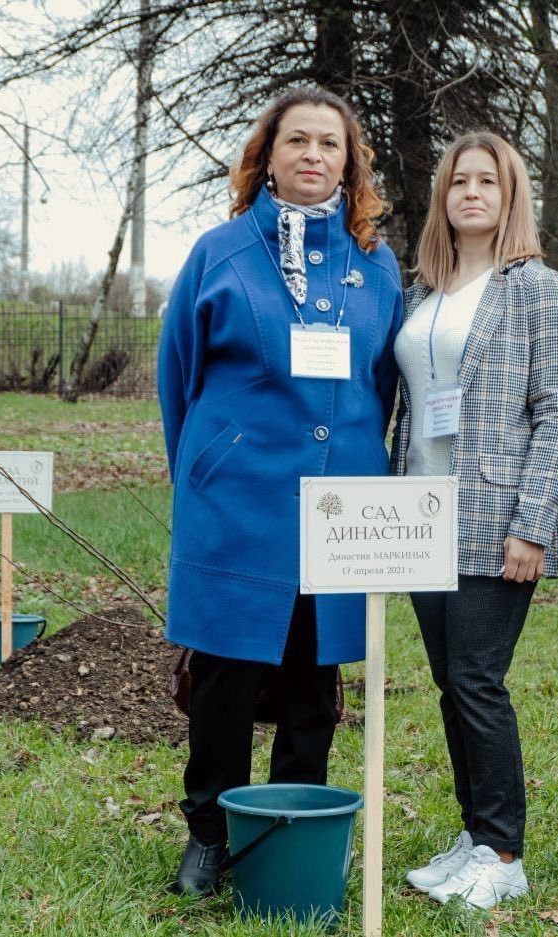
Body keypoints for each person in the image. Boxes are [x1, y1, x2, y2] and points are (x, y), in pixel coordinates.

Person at [157, 86, 402, 896]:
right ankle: (208, 830)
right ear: (267, 155)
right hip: (239, 500)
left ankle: (293, 823)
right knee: (225, 673)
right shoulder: (220, 253)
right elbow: (177, 378)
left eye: (328, 144)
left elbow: (381, 382)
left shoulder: (374, 264)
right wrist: (206, 468)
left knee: (312, 678)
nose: (312, 156)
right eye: (296, 140)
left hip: (337, 506)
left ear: (349, 161)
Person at [389, 132, 558, 909]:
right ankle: (473, 833)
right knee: (447, 681)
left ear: (509, 197)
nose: (470, 192)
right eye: (457, 181)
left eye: (486, 182)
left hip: (494, 514)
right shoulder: (421, 289)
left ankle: (504, 851)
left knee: (476, 678)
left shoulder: (534, 287)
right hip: (416, 512)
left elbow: (556, 408)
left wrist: (532, 522)